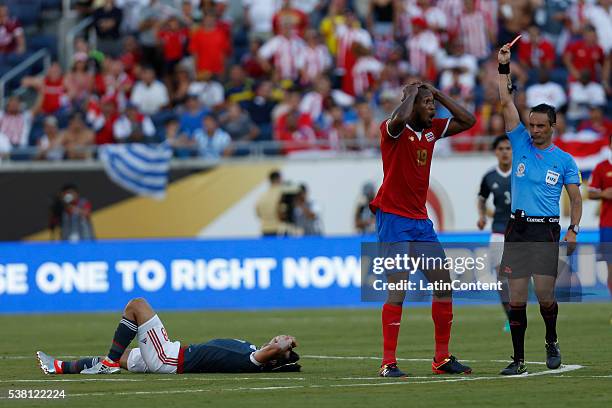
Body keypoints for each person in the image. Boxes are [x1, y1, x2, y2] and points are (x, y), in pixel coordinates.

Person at [369, 80, 476, 377]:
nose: (432, 108)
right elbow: (400, 118)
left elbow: (468, 120)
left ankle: (441, 359)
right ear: (413, 103)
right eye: (427, 103)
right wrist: (412, 93)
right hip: (393, 219)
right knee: (398, 289)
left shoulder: (431, 131)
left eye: (433, 104)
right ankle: (388, 363)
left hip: (420, 221)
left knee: (443, 284)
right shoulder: (392, 130)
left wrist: (438, 93)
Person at [496, 42, 582, 376]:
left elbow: (575, 199)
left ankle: (551, 341)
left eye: (540, 126)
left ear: (553, 126)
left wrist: (574, 228)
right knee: (516, 298)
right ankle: (517, 359)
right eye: (531, 125)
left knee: (545, 296)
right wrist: (504, 67)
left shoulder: (564, 161)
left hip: (545, 230)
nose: (533, 130)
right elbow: (506, 100)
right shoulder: (518, 141)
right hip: (517, 229)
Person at [37, 297, 300, 374]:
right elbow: (274, 346)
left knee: (137, 306)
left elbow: (274, 351)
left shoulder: (252, 360)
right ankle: (58, 367)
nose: (278, 340)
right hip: (171, 357)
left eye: (279, 346)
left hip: (170, 358)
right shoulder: (251, 349)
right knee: (121, 356)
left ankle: (106, 365)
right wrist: (281, 343)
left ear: (274, 359)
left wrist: (284, 346)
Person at [476, 135, 512, 329]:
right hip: (499, 230)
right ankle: (510, 316)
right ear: (496, 152)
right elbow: (482, 198)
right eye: (501, 149)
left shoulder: (520, 174)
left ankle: (517, 312)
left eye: (508, 148)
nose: (505, 152)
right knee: (501, 278)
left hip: (520, 232)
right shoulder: (490, 177)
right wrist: (482, 216)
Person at [587, 137, 612, 300]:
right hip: (608, 225)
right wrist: (604, 193)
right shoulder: (602, 167)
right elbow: (590, 192)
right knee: (611, 268)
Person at [255, 170, 284, 237]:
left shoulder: (262, 196)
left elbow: (258, 213)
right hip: (280, 230)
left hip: (265, 229)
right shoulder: (283, 194)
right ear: (279, 179)